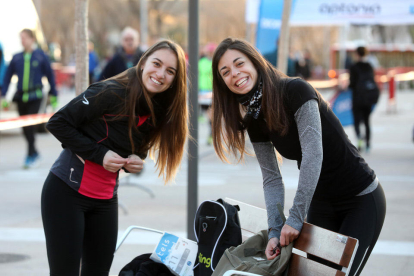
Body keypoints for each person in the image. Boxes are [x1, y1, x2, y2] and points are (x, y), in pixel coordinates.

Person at [211, 38, 386, 276]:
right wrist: (274, 230)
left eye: (239, 63)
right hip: (322, 203)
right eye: (225, 72)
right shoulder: (254, 120)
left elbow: (314, 155)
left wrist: (294, 218)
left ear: (255, 62)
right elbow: (271, 178)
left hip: (361, 199)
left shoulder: (295, 91)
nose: (235, 73)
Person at [41, 40, 188, 275]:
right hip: (65, 192)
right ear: (143, 64)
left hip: (105, 200)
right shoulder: (111, 92)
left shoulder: (159, 109)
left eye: (170, 71)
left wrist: (136, 161)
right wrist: (100, 156)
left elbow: (135, 147)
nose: (160, 74)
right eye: (157, 64)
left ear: (175, 81)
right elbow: (58, 122)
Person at [1, 29, 58, 168]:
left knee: (30, 126)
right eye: (21, 38)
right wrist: (4, 96)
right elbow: (7, 77)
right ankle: (34, 153)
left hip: (35, 96)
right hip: (21, 97)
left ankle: (30, 155)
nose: (22, 41)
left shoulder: (40, 56)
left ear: (32, 39)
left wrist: (53, 94)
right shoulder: (17, 58)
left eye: (25, 38)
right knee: (24, 128)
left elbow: (50, 76)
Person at [349, 46, 377, 152]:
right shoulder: (369, 66)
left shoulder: (353, 66)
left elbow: (352, 84)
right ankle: (368, 144)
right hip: (368, 98)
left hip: (357, 98)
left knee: (356, 121)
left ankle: (359, 138)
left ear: (357, 54)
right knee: (367, 121)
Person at [198, 42, 216, 145]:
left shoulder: (216, 62)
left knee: (211, 114)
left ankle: (211, 134)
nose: (210, 53)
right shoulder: (201, 62)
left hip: (212, 91)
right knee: (207, 113)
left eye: (212, 51)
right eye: (209, 51)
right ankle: (212, 132)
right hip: (202, 91)